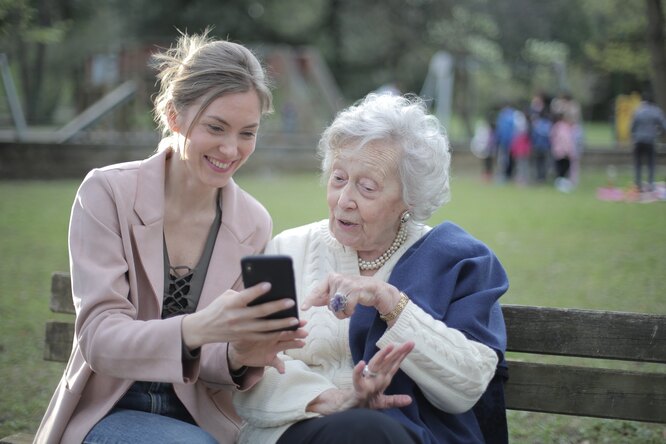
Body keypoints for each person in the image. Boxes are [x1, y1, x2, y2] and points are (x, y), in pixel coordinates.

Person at [34, 30, 307, 444]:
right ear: (173, 115)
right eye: (216, 127)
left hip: (204, 420)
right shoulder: (107, 193)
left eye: (247, 133)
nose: (231, 149)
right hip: (109, 410)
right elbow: (99, 338)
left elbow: (214, 358)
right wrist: (196, 328)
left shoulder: (253, 221)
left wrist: (238, 354)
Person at [233, 93, 510, 444]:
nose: (344, 199)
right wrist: (334, 400)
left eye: (366, 187)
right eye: (338, 178)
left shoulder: (457, 261)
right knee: (363, 430)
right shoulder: (288, 249)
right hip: (294, 430)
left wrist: (391, 303)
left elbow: (468, 385)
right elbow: (251, 365)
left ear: (410, 199)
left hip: (407, 436)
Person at [630, 90, 666, 192]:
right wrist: (658, 133)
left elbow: (632, 127)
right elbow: (663, 126)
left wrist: (635, 135)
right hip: (650, 140)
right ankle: (650, 184)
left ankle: (638, 184)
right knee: (651, 163)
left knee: (638, 163)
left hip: (638, 140)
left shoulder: (637, 111)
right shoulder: (656, 111)